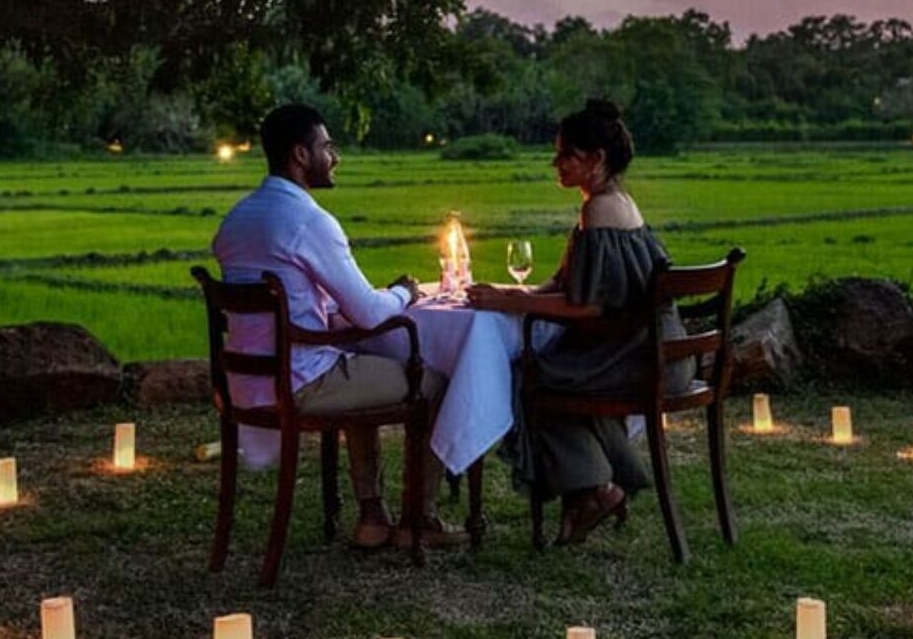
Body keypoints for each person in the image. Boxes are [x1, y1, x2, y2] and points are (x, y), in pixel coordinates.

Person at [211, 103, 465, 550]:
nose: (336, 157)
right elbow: (367, 312)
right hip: (302, 381)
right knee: (439, 383)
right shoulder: (309, 221)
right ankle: (419, 518)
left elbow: (299, 302)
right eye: (327, 147)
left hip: (249, 384)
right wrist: (405, 291)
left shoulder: (238, 219)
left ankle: (372, 515)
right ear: (300, 155)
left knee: (360, 363)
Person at [466, 97, 689, 545]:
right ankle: (594, 488)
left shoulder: (599, 211)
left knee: (531, 377)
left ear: (597, 159)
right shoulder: (617, 201)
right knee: (552, 369)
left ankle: (595, 490)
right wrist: (517, 292)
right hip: (659, 350)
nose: (556, 164)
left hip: (642, 358)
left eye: (567, 154)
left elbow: (588, 307)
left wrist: (512, 304)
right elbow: (572, 282)